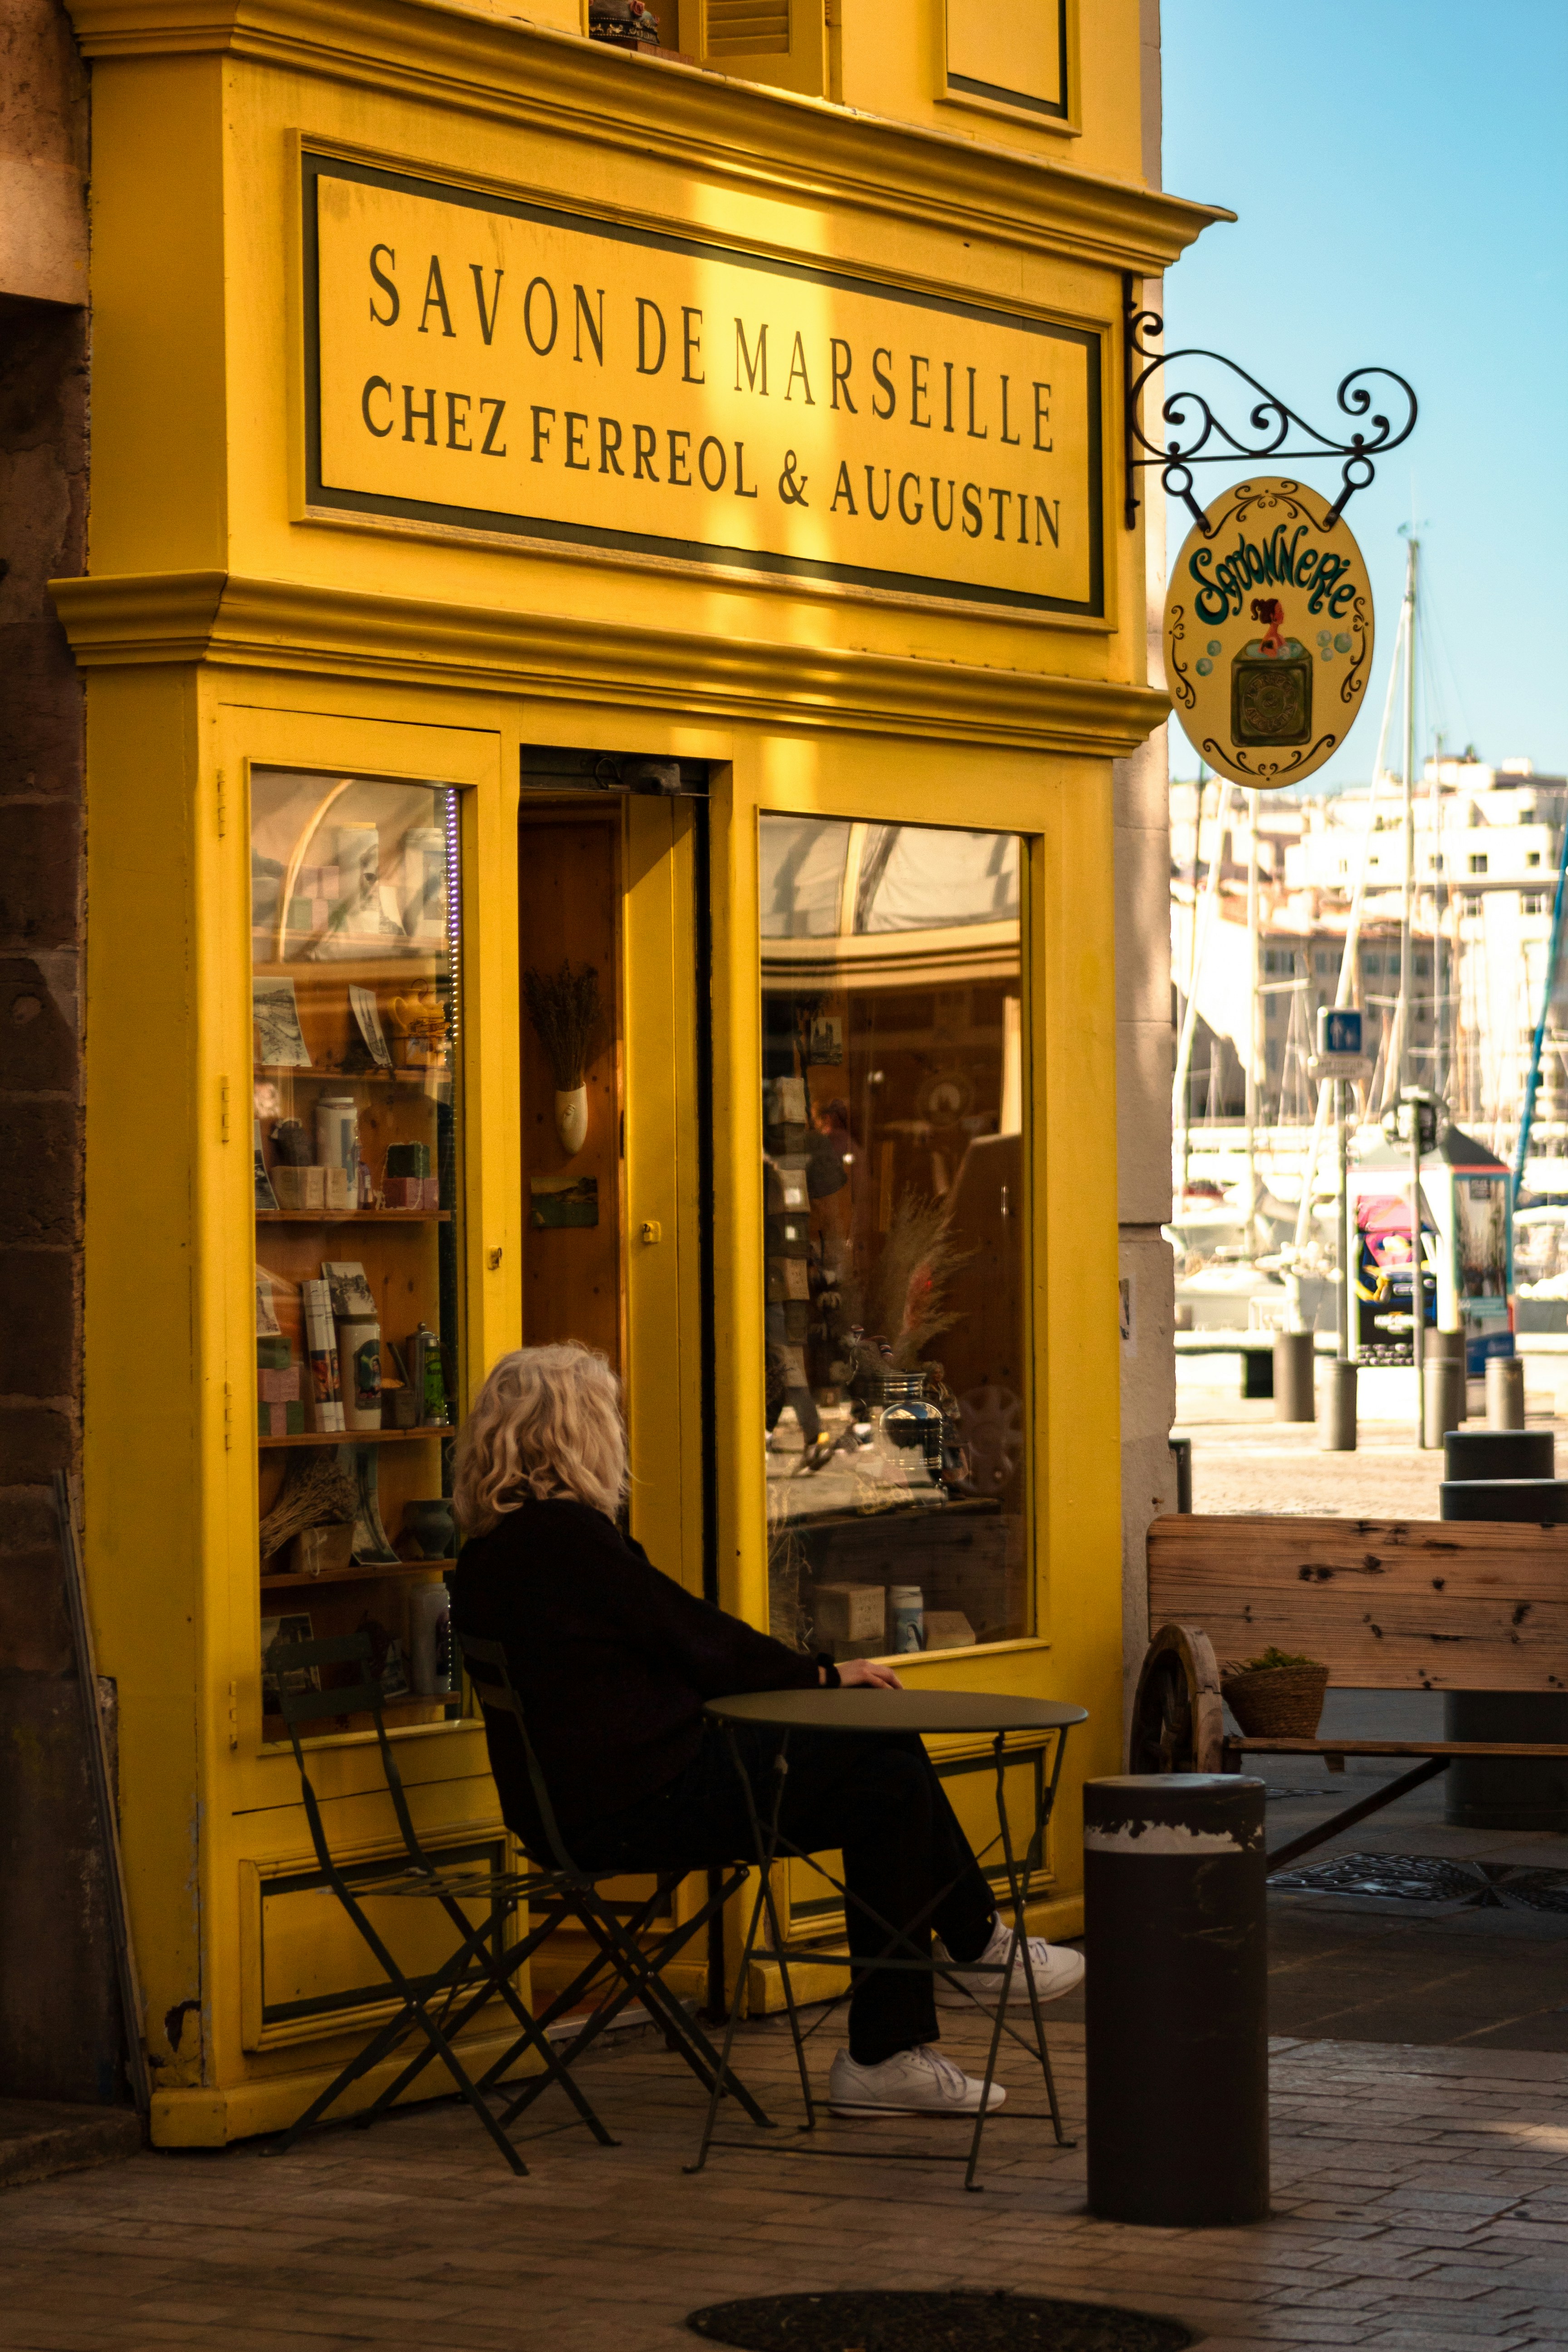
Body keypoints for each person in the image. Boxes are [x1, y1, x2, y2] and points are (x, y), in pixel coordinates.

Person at [448, 1342, 1084, 2117]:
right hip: (635, 1806)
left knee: (883, 1772)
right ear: (577, 1432)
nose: (616, 1431)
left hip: (585, 1807)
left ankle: (943, 1989)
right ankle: (947, 1983)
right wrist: (819, 1675)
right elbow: (693, 1637)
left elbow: (664, 1650)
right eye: (606, 1416)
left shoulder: (489, 1552)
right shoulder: (567, 1539)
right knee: (883, 1760)